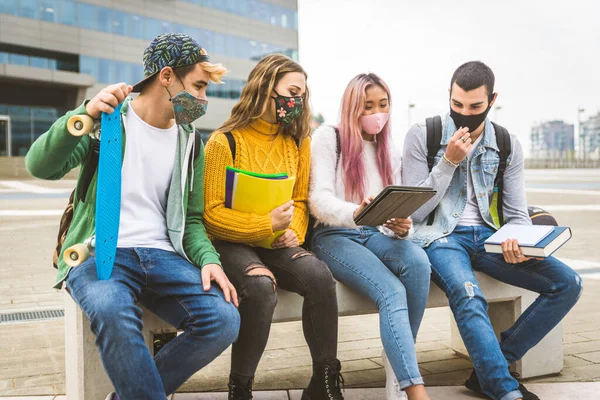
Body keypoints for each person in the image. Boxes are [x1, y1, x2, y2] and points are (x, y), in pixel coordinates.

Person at [25, 33, 240, 400]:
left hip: (164, 257)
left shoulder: (190, 142)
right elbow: (40, 166)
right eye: (200, 85)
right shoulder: (107, 122)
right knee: (111, 309)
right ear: (167, 76)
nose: (204, 99)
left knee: (223, 321)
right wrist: (84, 114)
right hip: (101, 252)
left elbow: (190, 219)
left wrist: (209, 260)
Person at [402, 61, 582, 400]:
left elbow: (515, 213)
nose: (464, 113)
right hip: (439, 238)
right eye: (457, 105)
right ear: (449, 96)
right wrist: (448, 162)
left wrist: (517, 240)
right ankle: (505, 389)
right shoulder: (422, 135)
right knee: (470, 297)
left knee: (568, 284)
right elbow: (414, 212)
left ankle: (490, 368)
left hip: (489, 238)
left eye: (475, 107)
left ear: (492, 99)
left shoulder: (506, 143)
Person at [203, 54, 343, 400]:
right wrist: (264, 224)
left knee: (319, 276)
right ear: (266, 88)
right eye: (292, 91)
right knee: (261, 286)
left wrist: (291, 228)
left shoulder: (298, 142)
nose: (297, 101)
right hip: (231, 242)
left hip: (277, 240)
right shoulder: (224, 142)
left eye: (302, 95)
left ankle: (325, 383)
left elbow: (298, 200)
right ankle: (240, 387)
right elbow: (211, 214)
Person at [309, 73, 432, 400]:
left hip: (373, 233)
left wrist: (400, 226)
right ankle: (415, 389)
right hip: (333, 235)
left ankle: (398, 371)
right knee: (391, 290)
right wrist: (355, 212)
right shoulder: (327, 137)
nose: (377, 112)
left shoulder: (386, 149)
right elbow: (317, 200)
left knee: (418, 263)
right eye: (368, 106)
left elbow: (390, 211)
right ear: (352, 107)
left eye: (383, 104)